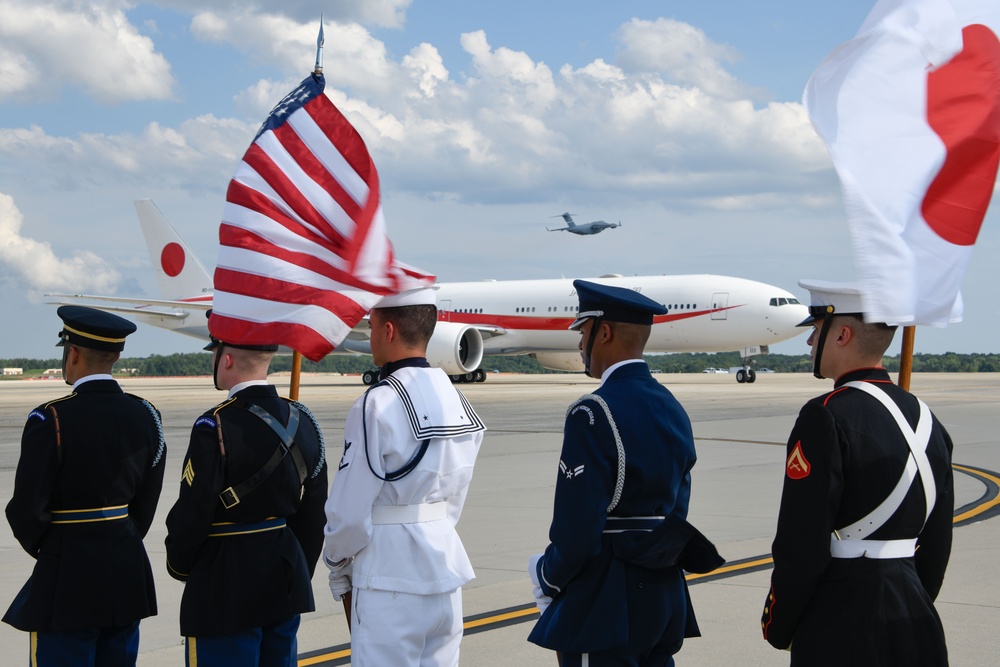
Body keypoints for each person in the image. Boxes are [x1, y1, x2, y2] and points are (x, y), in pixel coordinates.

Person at [527, 280, 722, 667]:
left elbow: (578, 530)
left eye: (583, 332)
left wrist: (546, 576)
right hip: (664, 593)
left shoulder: (592, 411)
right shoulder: (671, 406)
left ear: (604, 331)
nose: (581, 345)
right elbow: (676, 509)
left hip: (605, 600)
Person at [761, 280, 954, 666]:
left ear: (842, 334)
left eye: (816, 332)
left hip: (843, 620)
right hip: (915, 615)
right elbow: (937, 542)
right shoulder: (929, 421)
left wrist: (778, 623)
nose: (809, 344)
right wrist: (912, 595)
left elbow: (802, 542)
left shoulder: (824, 415)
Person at [323, 287, 487, 667]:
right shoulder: (457, 399)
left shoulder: (375, 402)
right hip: (445, 569)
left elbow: (349, 508)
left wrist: (336, 560)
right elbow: (455, 493)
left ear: (389, 331)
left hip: (387, 578)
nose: (370, 336)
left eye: (372, 326)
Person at [4, 306, 166, 666]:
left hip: (67, 573)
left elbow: (26, 509)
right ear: (117, 356)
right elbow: (147, 500)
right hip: (125, 568)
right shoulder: (147, 415)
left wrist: (57, 550)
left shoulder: (51, 417)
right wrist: (119, 536)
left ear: (72, 353)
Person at [164, 325, 328, 667]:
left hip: (225, 582)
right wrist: (296, 569)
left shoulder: (214, 425)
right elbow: (314, 513)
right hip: (285, 578)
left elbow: (194, 513)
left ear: (225, 359)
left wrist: (180, 566)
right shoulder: (304, 419)